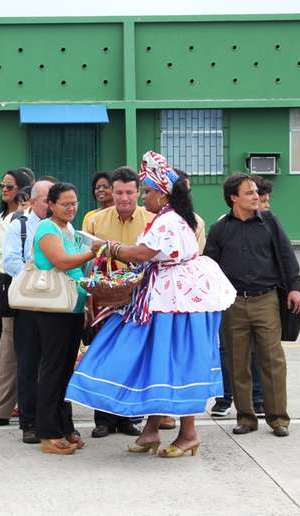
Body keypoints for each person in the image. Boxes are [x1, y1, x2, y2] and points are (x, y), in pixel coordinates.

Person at [67, 151, 236, 458]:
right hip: (168, 297)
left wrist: (107, 246)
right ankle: (151, 430)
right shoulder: (173, 218)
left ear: (163, 195)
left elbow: (142, 254)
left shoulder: (168, 220)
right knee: (160, 362)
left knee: (172, 362)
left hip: (173, 303)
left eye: (147, 191)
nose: (144, 196)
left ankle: (188, 433)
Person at [204, 173, 300, 438]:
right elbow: (209, 267)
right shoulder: (220, 230)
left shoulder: (270, 222)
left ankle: (278, 419)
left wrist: (295, 288)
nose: (255, 197)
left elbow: (286, 256)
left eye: (255, 192)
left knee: (272, 360)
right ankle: (246, 418)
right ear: (233, 198)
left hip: (266, 300)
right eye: (248, 192)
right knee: (238, 362)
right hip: (233, 303)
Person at [84, 166, 152, 438]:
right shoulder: (95, 222)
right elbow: (85, 261)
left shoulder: (152, 220)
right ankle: (103, 419)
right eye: (119, 192)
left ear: (138, 192)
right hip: (105, 300)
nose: (124, 198)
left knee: (133, 358)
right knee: (104, 355)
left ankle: (127, 418)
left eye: (129, 192)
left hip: (139, 299)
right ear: (110, 192)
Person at [27, 182, 93, 455]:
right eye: (65, 203)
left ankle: (66, 426)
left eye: (74, 203)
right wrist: (95, 251)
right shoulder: (47, 228)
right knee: (52, 369)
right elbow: (62, 261)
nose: (70, 208)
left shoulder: (70, 231)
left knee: (67, 369)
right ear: (51, 205)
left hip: (73, 306)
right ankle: (48, 432)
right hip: (54, 308)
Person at [2, 179, 54, 444]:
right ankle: (30, 422)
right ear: (33, 201)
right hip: (29, 304)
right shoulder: (19, 226)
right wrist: (41, 280)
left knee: (55, 364)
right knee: (28, 365)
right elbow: (11, 261)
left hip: (57, 306)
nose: (50, 204)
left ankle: (54, 419)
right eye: (46, 199)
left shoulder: (63, 228)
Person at [0, 169, 33, 350]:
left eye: (9, 186)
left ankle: (12, 373)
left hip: (11, 279)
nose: (4, 189)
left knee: (9, 332)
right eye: (2, 185)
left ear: (22, 188)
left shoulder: (27, 214)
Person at [174, 169, 206, 253]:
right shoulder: (150, 215)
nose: (186, 196)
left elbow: (198, 256)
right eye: (181, 192)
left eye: (188, 192)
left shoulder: (197, 222)